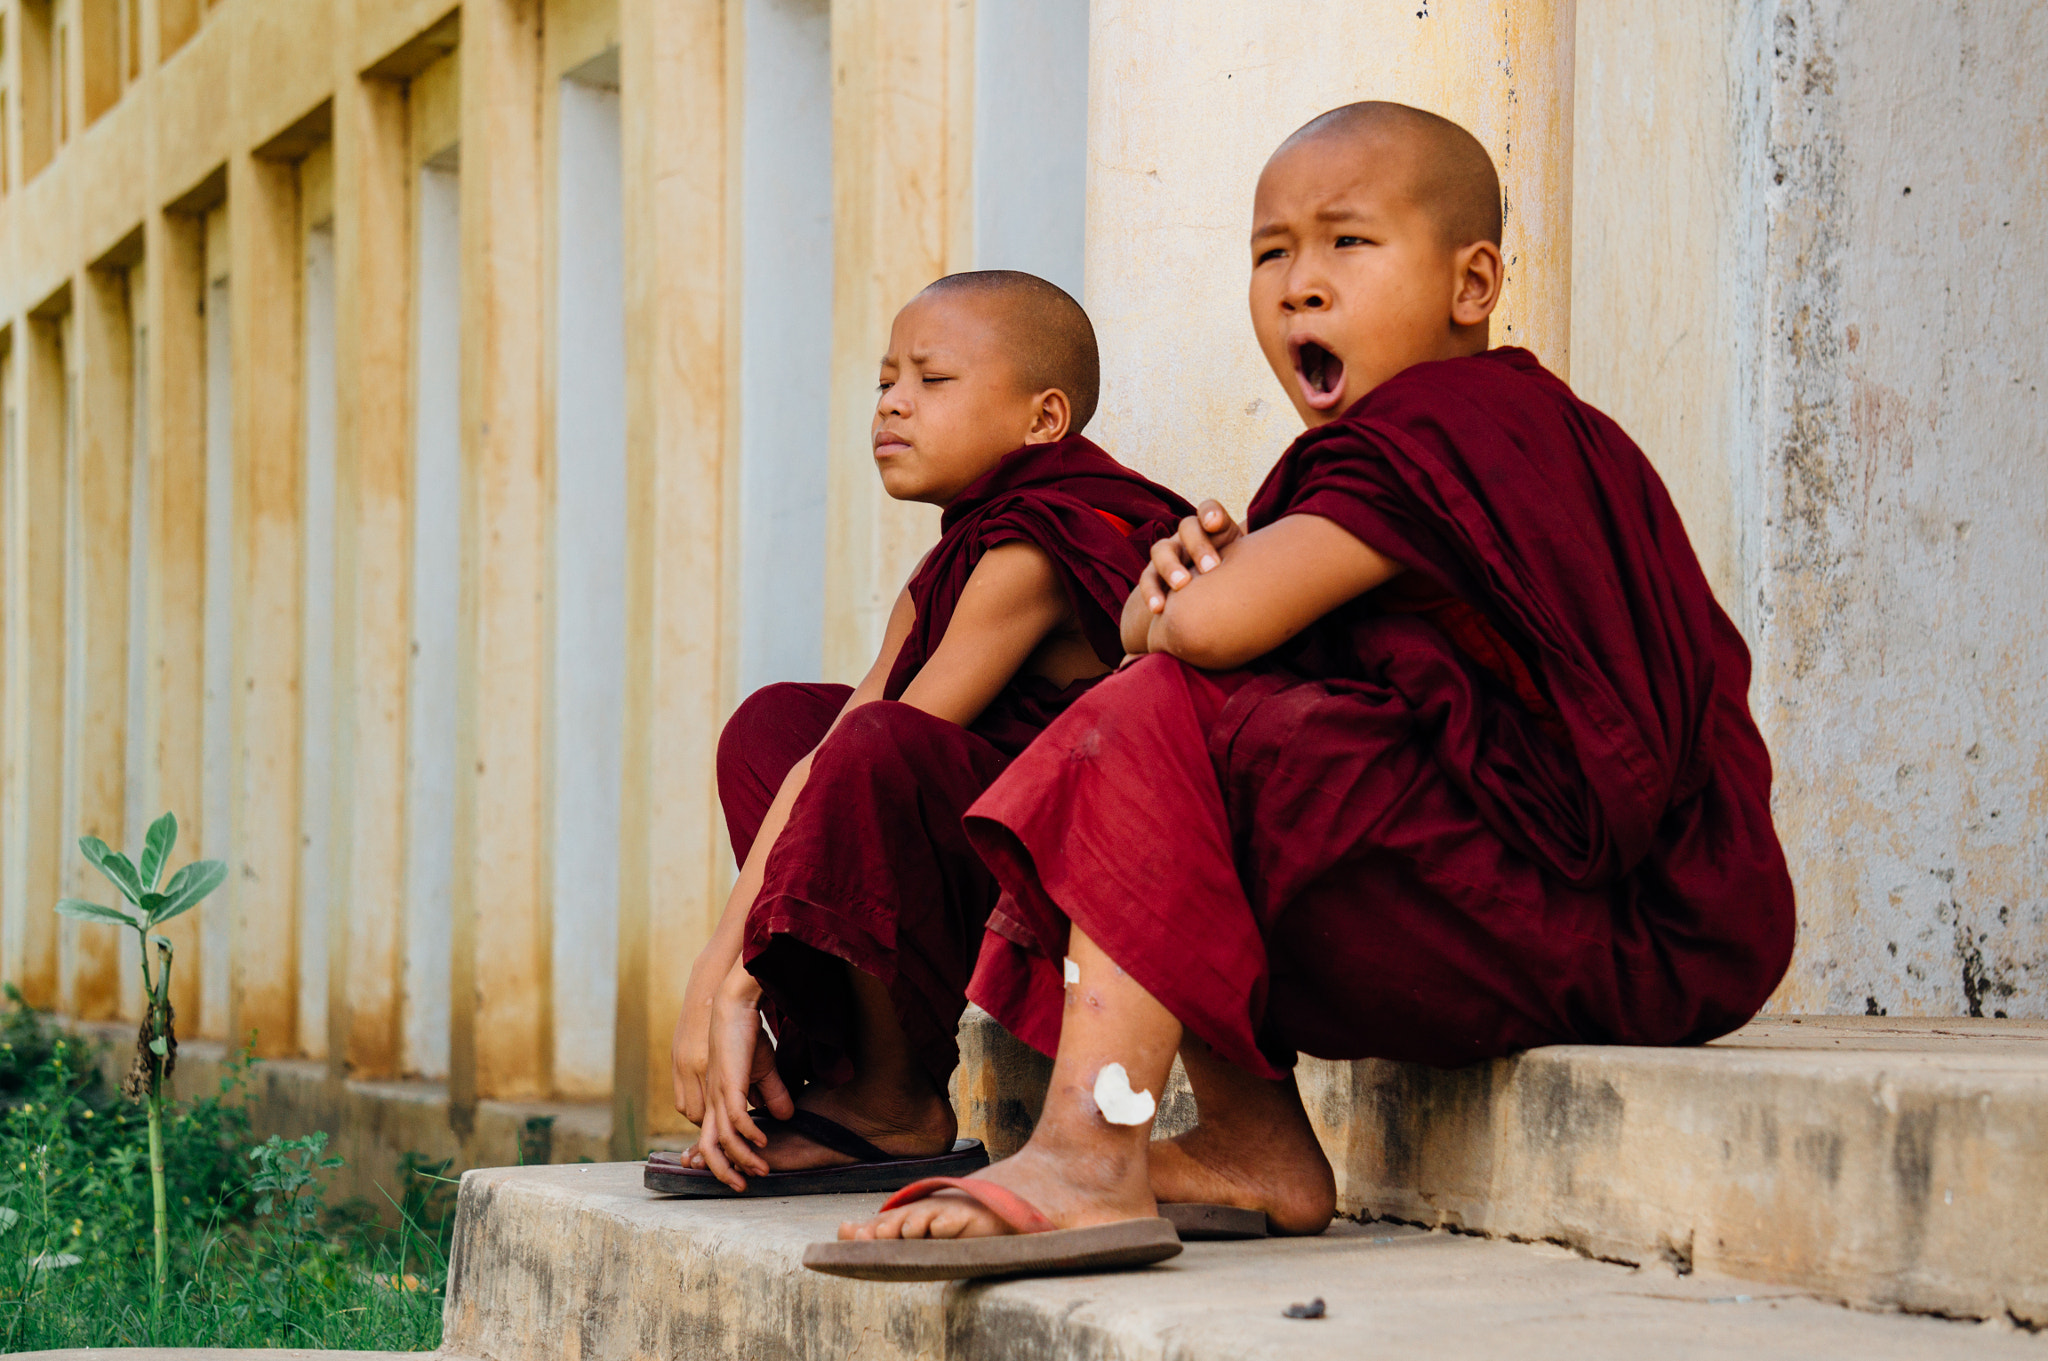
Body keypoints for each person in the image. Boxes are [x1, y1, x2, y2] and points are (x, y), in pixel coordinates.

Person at [808, 101, 1795, 1280]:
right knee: (1210, 718)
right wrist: (1177, 608)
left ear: (1469, 281)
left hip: (1594, 924)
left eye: (1346, 244)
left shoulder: (1447, 426)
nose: (1299, 287)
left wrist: (1158, 604)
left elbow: (1203, 628)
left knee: (1152, 712)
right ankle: (1250, 1147)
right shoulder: (1457, 442)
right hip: (1633, 928)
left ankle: (1087, 1145)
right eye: (1270, 251)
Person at [655, 270, 1194, 1197]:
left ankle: (895, 1101)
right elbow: (833, 741)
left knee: (874, 748)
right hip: (981, 847)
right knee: (775, 727)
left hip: (1085, 880)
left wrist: (734, 977)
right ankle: (851, 1078)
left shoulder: (1036, 546)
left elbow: (884, 742)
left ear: (1044, 419)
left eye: (931, 381)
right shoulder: (956, 553)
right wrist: (717, 959)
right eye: (884, 381)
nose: (893, 403)